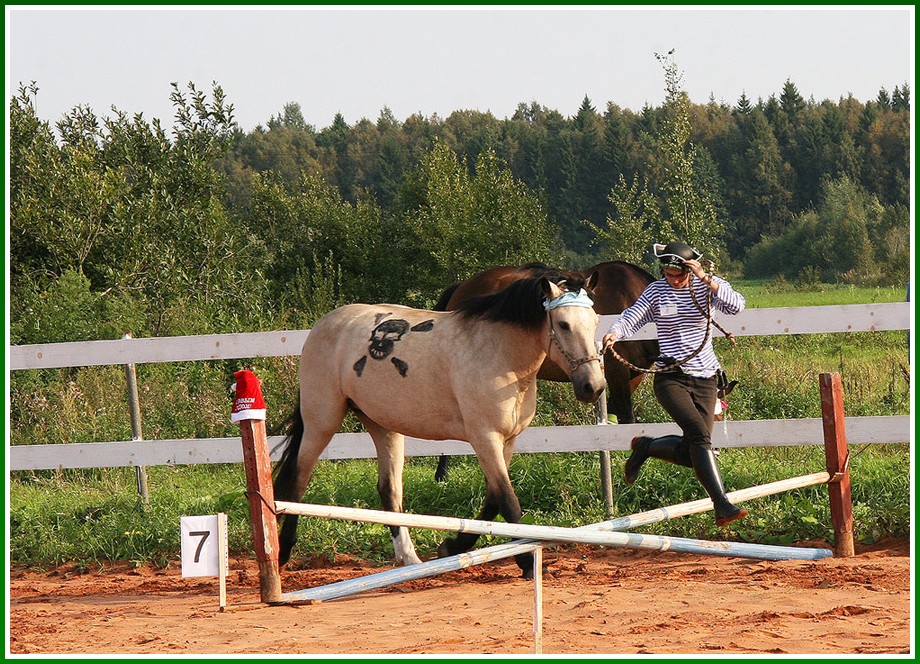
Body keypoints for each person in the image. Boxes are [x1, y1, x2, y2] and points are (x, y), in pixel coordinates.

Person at [601, 241, 748, 526]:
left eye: (678, 273)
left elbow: (736, 306)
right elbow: (635, 314)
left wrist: (705, 278)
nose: (672, 278)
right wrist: (615, 332)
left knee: (694, 448)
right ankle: (722, 505)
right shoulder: (657, 291)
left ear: (690, 268)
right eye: (667, 272)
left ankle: (646, 447)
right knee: (699, 438)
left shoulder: (707, 286)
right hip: (671, 377)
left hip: (706, 379)